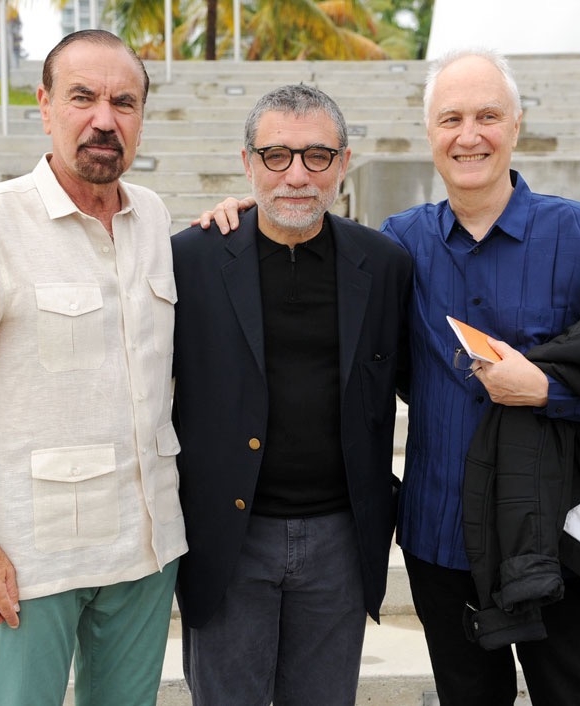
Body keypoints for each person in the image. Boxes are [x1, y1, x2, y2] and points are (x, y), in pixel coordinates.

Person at [198, 49, 580, 705]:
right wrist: (253, 214)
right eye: (451, 119)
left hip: (556, 528)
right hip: (441, 536)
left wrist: (548, 391)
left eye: (487, 116)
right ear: (431, 133)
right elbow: (311, 250)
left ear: (517, 125)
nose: (469, 135)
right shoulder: (397, 246)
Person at [0, 30, 186, 706]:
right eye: (82, 97)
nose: (104, 119)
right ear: (45, 106)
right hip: (29, 559)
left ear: (141, 116)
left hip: (145, 551)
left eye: (124, 102)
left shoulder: (154, 219)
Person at [170, 84, 412, 706]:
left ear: (344, 162)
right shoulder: (189, 259)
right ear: (247, 162)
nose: (296, 175)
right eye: (276, 156)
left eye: (316, 156)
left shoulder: (384, 264)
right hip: (228, 539)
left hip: (340, 540)